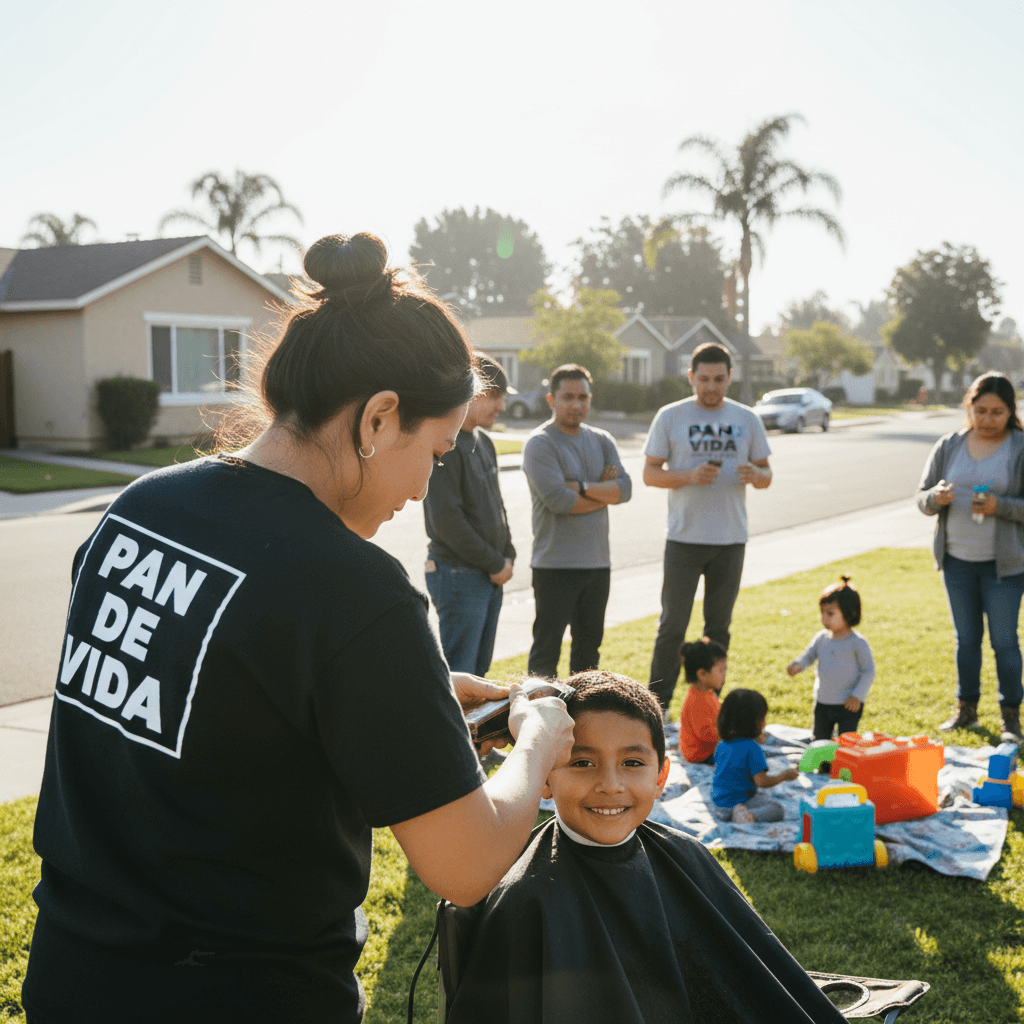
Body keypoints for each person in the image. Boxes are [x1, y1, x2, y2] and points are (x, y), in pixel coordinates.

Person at [21, 233, 575, 1024]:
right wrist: (540, 736)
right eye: (438, 450)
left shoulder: (139, 510)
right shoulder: (356, 591)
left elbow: (203, 703)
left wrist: (406, 704)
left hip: (73, 979)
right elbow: (467, 864)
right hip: (240, 996)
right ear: (381, 416)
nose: (424, 489)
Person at [444, 671, 847, 1024]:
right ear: (544, 777)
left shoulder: (687, 856)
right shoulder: (528, 899)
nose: (611, 784)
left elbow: (750, 984)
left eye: (632, 763)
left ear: (661, 775)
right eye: (582, 763)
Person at [644, 342, 772, 715]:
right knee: (672, 627)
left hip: (730, 539)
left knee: (719, 629)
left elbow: (766, 474)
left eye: (719, 379)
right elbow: (650, 474)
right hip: (684, 538)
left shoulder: (747, 418)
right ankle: (658, 705)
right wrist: (688, 475)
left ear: (730, 377)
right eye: (703, 379)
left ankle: (710, 707)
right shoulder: (671, 416)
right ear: (691, 377)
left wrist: (757, 474)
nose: (711, 387)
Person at [917, 371, 1024, 743]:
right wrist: (936, 497)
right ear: (969, 407)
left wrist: (1002, 506)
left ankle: (1010, 715)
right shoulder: (950, 445)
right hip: (957, 560)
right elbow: (921, 496)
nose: (988, 419)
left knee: (1004, 641)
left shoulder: (1020, 448)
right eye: (981, 411)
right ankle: (966, 709)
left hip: (1004, 565)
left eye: (997, 412)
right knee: (966, 640)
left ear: (1011, 411)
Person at [522, 364, 632, 678]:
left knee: (588, 655)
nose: (576, 404)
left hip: (597, 565)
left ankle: (582, 723)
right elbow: (558, 501)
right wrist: (603, 492)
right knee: (546, 652)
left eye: (582, 397)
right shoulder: (540, 443)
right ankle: (539, 719)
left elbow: (625, 490)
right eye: (567, 397)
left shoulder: (602, 440)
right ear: (551, 400)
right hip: (555, 565)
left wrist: (582, 487)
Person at [422, 352, 516, 676]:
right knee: (460, 677)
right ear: (471, 390)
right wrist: (495, 563)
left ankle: (472, 730)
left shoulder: (485, 442)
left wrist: (509, 554)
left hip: (488, 575)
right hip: (458, 575)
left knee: (479, 674)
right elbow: (446, 521)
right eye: (494, 396)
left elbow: (497, 506)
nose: (501, 406)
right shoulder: (446, 443)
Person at [786, 575, 875, 741]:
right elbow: (809, 655)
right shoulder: (822, 638)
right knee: (819, 739)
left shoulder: (857, 643)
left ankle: (841, 765)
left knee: (845, 741)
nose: (824, 619)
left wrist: (858, 696)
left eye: (830, 613)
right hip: (823, 701)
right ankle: (822, 767)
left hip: (849, 704)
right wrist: (798, 664)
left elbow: (868, 671)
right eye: (822, 613)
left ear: (850, 613)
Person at [712, 688, 798, 824]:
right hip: (741, 801)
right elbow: (762, 781)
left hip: (719, 803)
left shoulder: (722, 745)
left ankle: (738, 813)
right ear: (751, 722)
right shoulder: (752, 748)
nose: (764, 724)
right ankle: (747, 816)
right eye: (762, 718)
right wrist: (784, 776)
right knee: (776, 809)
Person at [677, 637, 728, 764]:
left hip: (710, 747)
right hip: (700, 753)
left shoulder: (706, 692)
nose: (724, 675)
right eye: (721, 670)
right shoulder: (697, 701)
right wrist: (730, 733)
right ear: (702, 674)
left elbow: (715, 711)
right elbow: (706, 734)